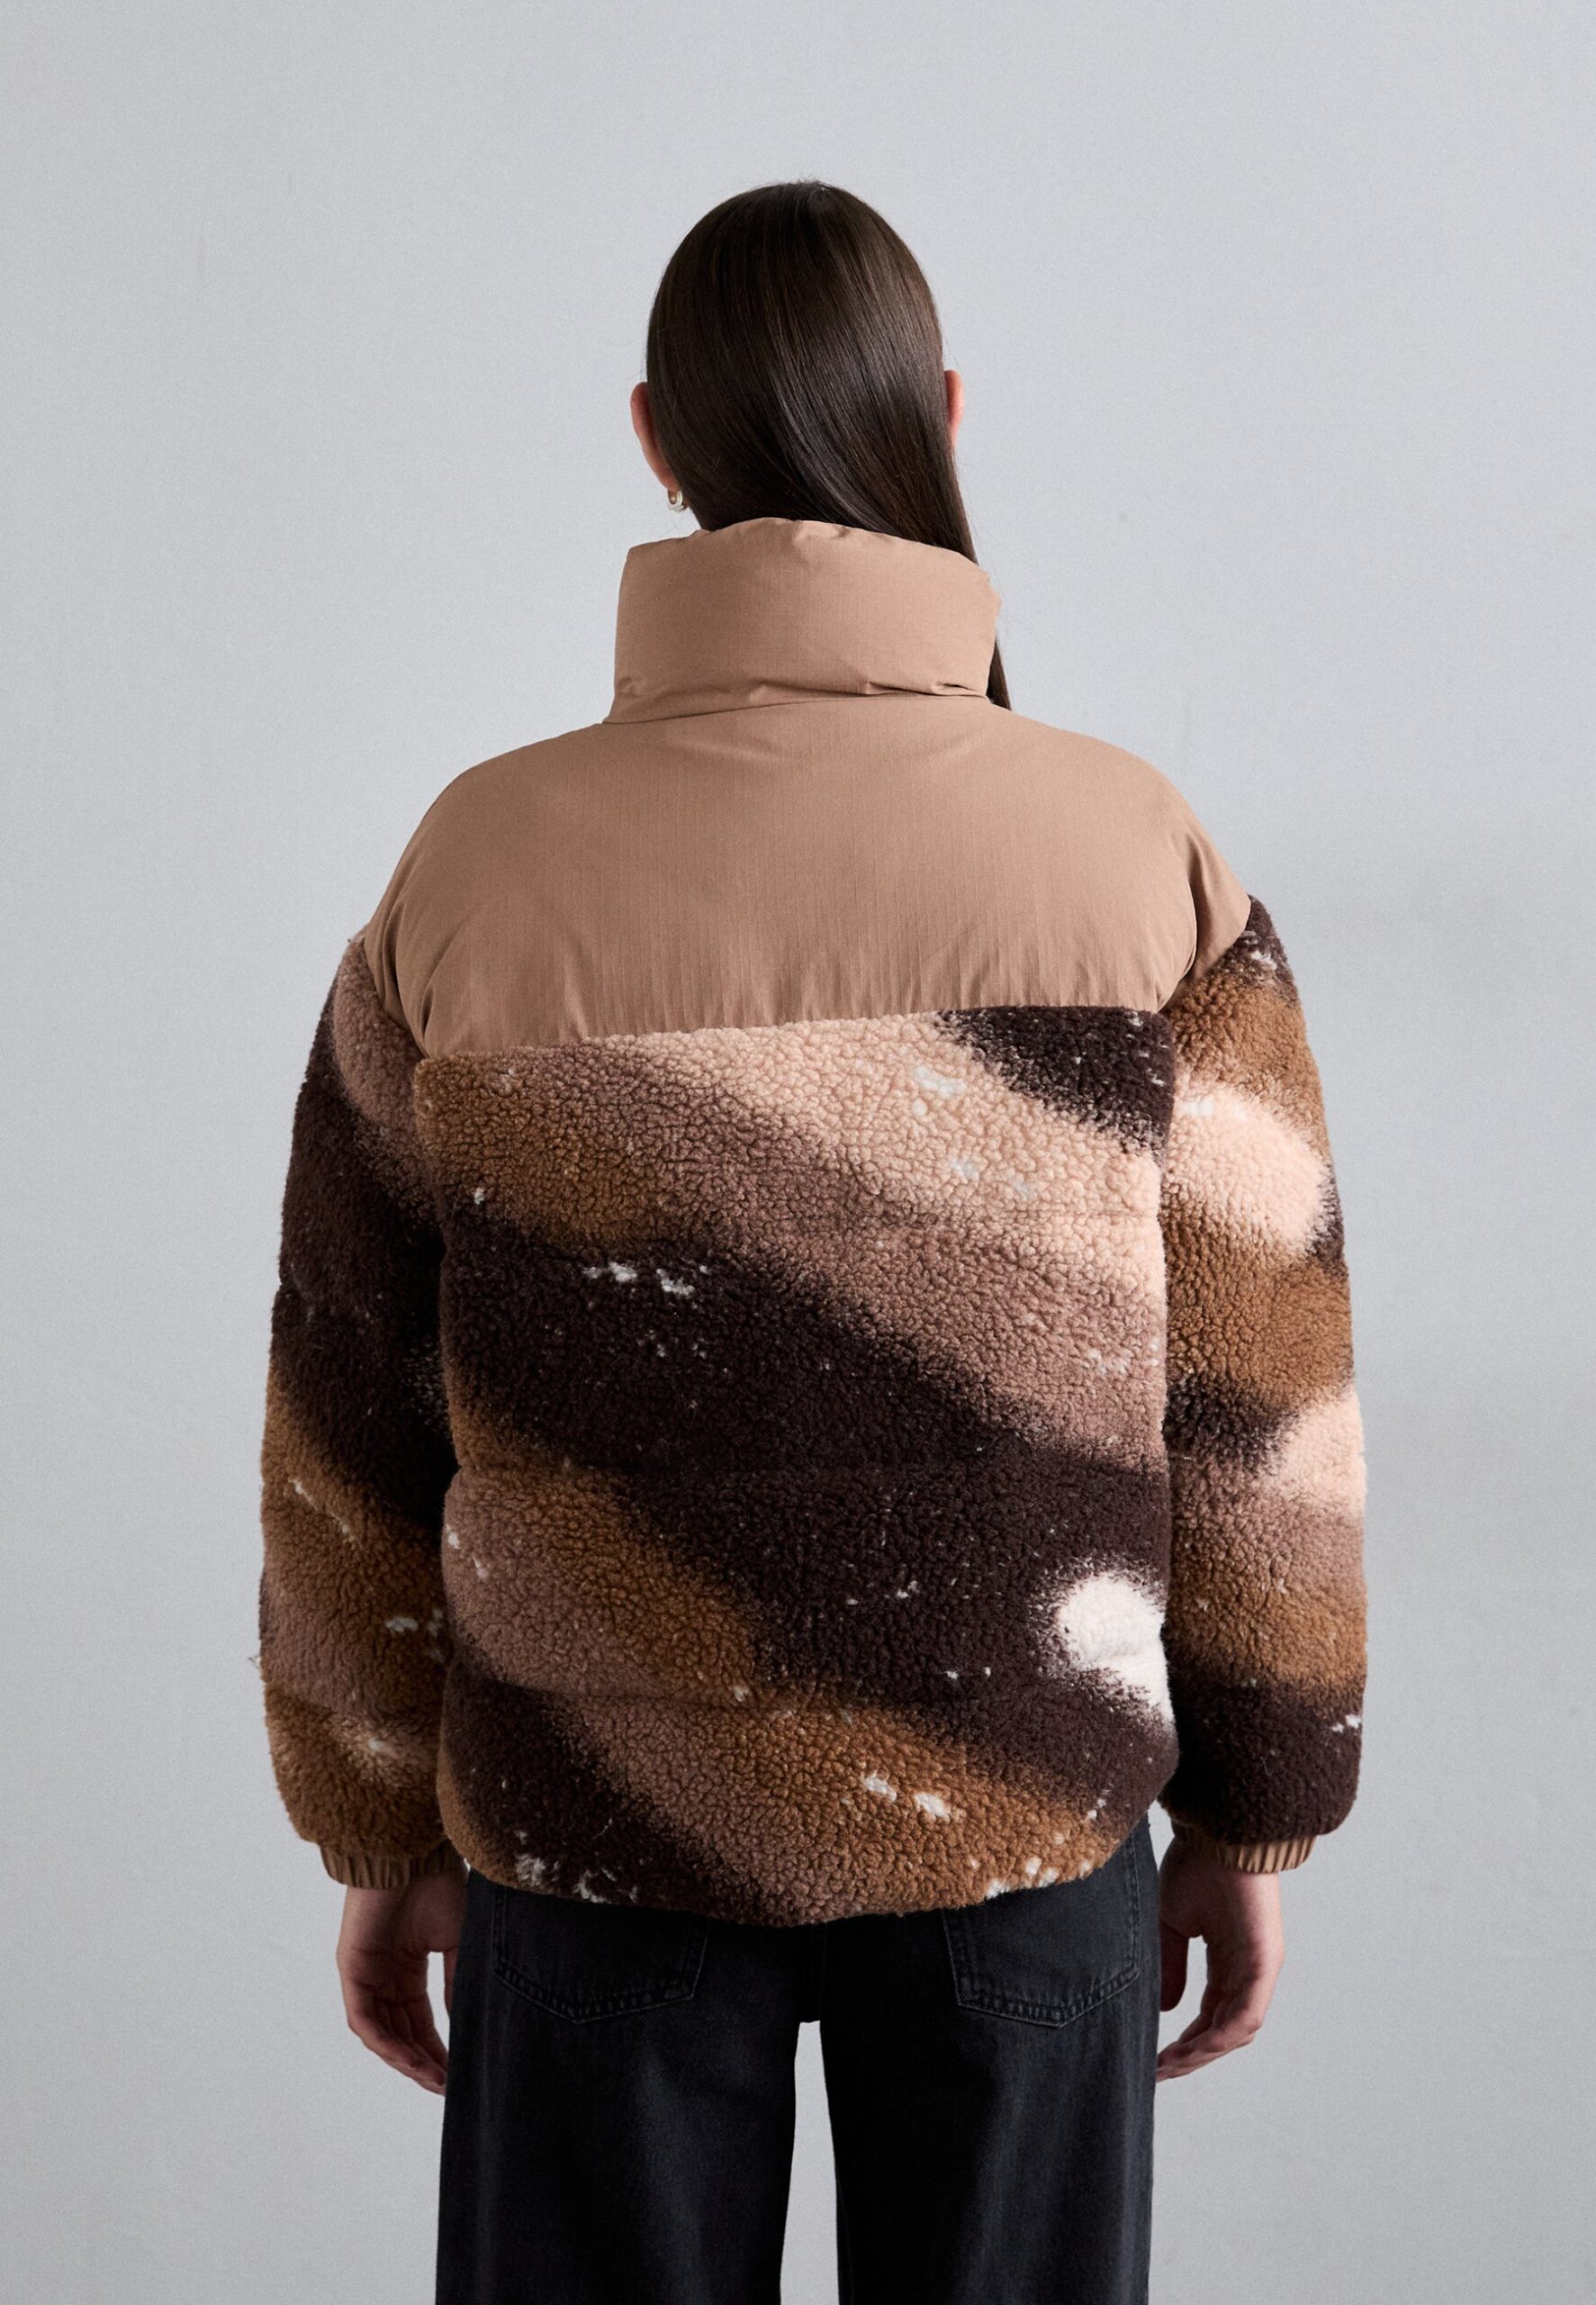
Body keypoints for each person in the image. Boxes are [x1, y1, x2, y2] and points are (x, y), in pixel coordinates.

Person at [258, 180, 1366, 2305]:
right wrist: (1255, 1805)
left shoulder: (473, 864)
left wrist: (378, 1818)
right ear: (938, 411)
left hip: (592, 1819)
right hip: (1022, 1812)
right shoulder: (1135, 850)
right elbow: (1255, 1400)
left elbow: (349, 1402)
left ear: (653, 438)